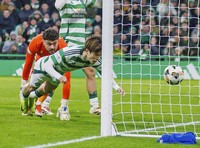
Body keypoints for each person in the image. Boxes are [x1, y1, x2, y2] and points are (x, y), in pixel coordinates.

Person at [21, 36, 124, 119]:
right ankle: (24, 97)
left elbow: (105, 75)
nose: (96, 59)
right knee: (31, 87)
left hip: (58, 74)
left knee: (45, 90)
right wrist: (59, 76)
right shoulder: (69, 53)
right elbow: (47, 65)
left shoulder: (96, 61)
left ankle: (32, 97)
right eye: (95, 55)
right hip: (43, 68)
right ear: (87, 51)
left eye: (99, 56)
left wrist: (116, 87)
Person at [55, 0, 103, 116]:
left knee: (91, 72)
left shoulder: (83, 0)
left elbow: (100, 4)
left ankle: (94, 106)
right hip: (67, 42)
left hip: (81, 43)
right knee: (60, 74)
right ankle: (48, 104)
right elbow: (57, 5)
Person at [20, 28, 71, 117]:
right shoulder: (35, 42)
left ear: (58, 40)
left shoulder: (64, 48)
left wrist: (64, 105)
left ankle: (40, 104)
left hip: (55, 63)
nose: (52, 47)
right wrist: (23, 84)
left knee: (53, 83)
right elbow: (28, 63)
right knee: (33, 85)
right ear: (43, 41)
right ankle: (26, 98)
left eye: (55, 43)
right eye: (49, 44)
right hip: (40, 60)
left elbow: (67, 77)